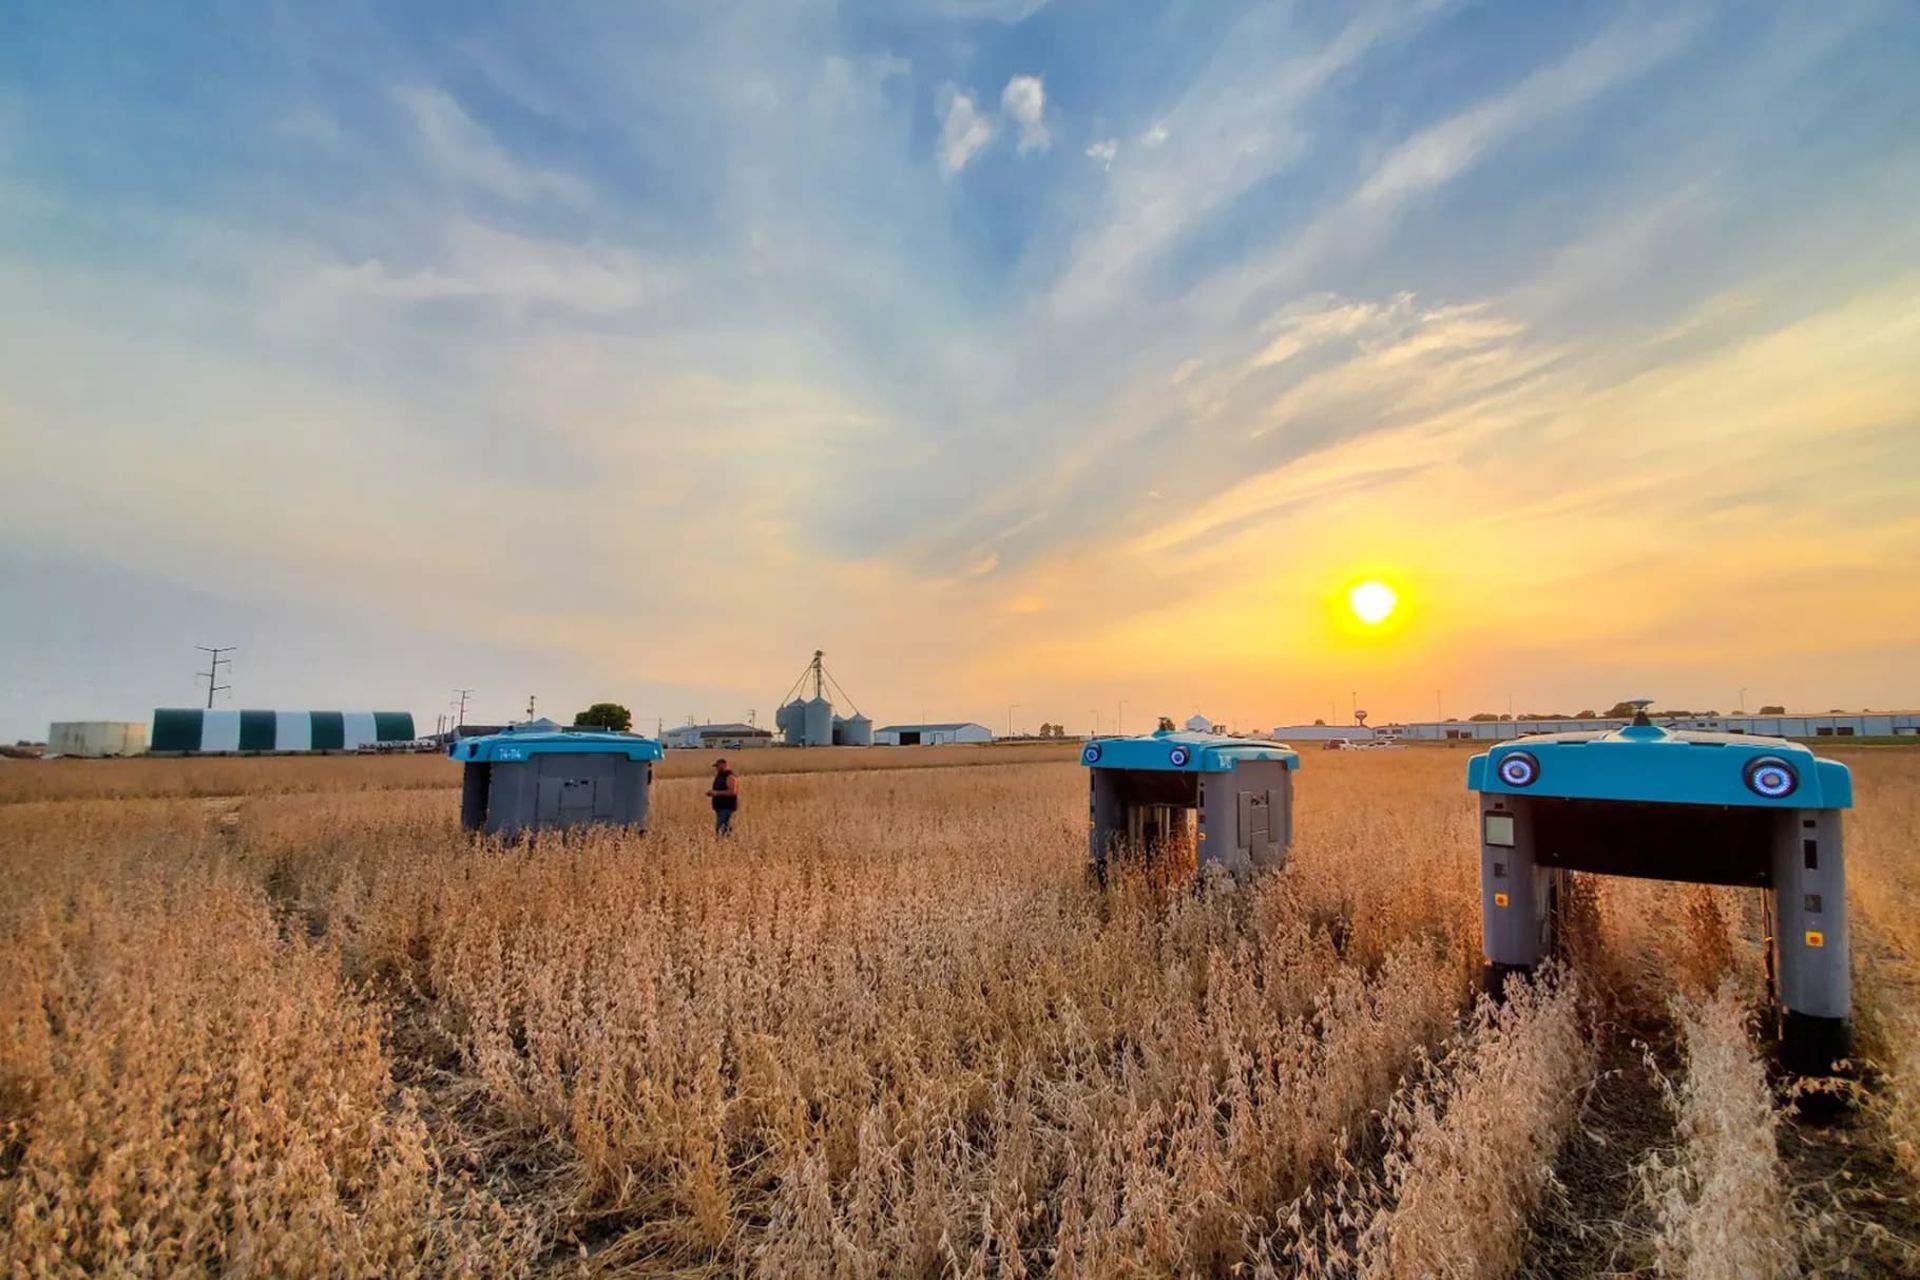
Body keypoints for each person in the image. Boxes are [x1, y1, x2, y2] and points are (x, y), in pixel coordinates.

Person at [707, 757, 739, 835]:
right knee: (723, 828)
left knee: (721, 828)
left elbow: (732, 792)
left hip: (727, 807)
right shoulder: (720, 775)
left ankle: (725, 843)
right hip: (720, 807)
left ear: (724, 765)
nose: (717, 768)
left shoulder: (730, 776)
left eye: (718, 766)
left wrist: (716, 793)